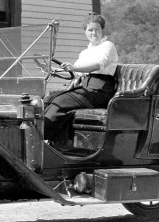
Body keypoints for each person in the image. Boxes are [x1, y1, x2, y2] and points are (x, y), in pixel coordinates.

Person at [43, 13, 119, 141]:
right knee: (47, 99)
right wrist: (53, 71)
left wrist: (74, 68)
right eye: (90, 30)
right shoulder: (85, 52)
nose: (94, 33)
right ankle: (52, 139)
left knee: (60, 102)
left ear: (102, 30)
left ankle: (41, 136)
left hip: (100, 90)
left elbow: (97, 65)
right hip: (85, 88)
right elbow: (74, 74)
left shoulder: (107, 46)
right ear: (85, 32)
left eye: (97, 29)